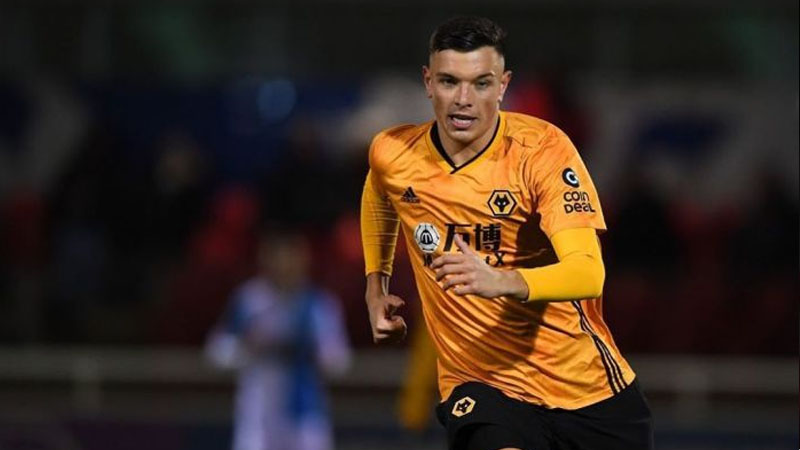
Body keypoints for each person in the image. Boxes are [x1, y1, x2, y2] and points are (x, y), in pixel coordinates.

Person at [360, 16, 654, 450]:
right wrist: (376, 283)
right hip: (481, 384)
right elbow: (379, 190)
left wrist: (502, 280)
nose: (463, 100)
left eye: (481, 83)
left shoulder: (543, 152)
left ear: (503, 86)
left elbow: (589, 273)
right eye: (449, 81)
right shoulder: (394, 152)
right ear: (428, 82)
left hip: (583, 388)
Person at [205, 227, 351, 450]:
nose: (285, 265)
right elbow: (216, 352)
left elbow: (340, 361)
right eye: (278, 256)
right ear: (266, 260)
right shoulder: (249, 300)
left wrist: (311, 350)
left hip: (305, 411)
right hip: (257, 411)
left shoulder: (319, 305)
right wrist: (248, 348)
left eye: (292, 257)